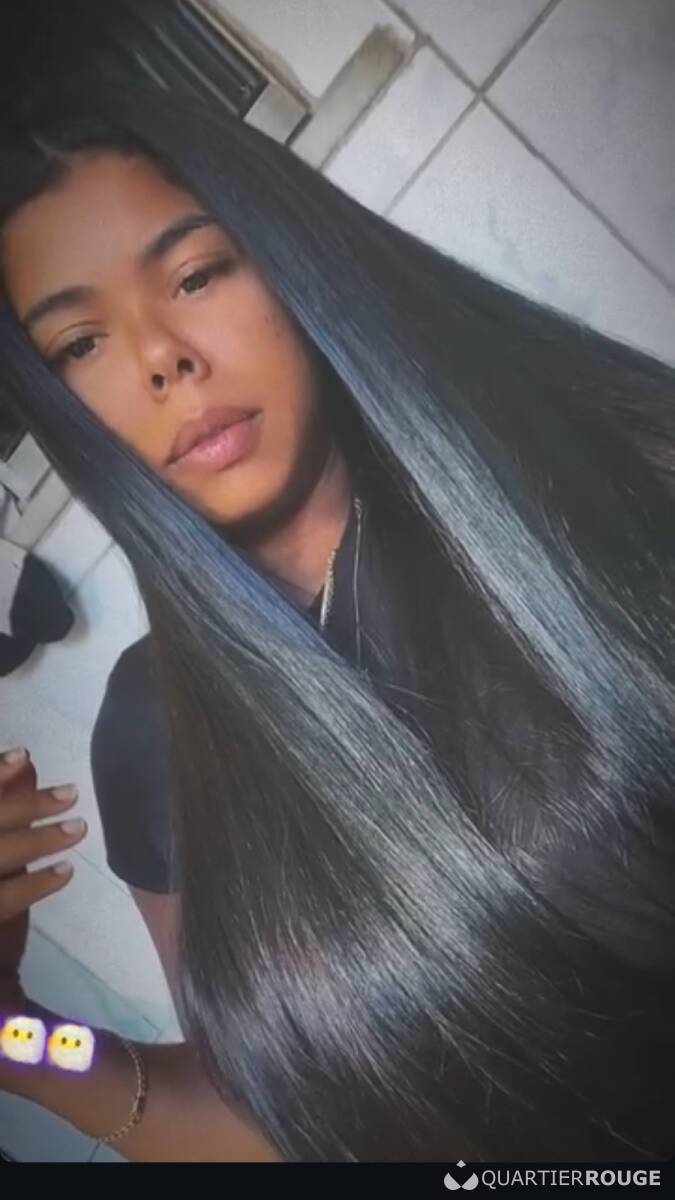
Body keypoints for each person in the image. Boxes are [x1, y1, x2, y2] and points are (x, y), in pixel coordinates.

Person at [0, 76, 674, 1163]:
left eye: (195, 273)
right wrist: (16, 1036)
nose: (160, 356)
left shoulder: (599, 479)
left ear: (285, 255)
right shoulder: (149, 734)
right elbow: (265, 1112)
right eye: (79, 344)